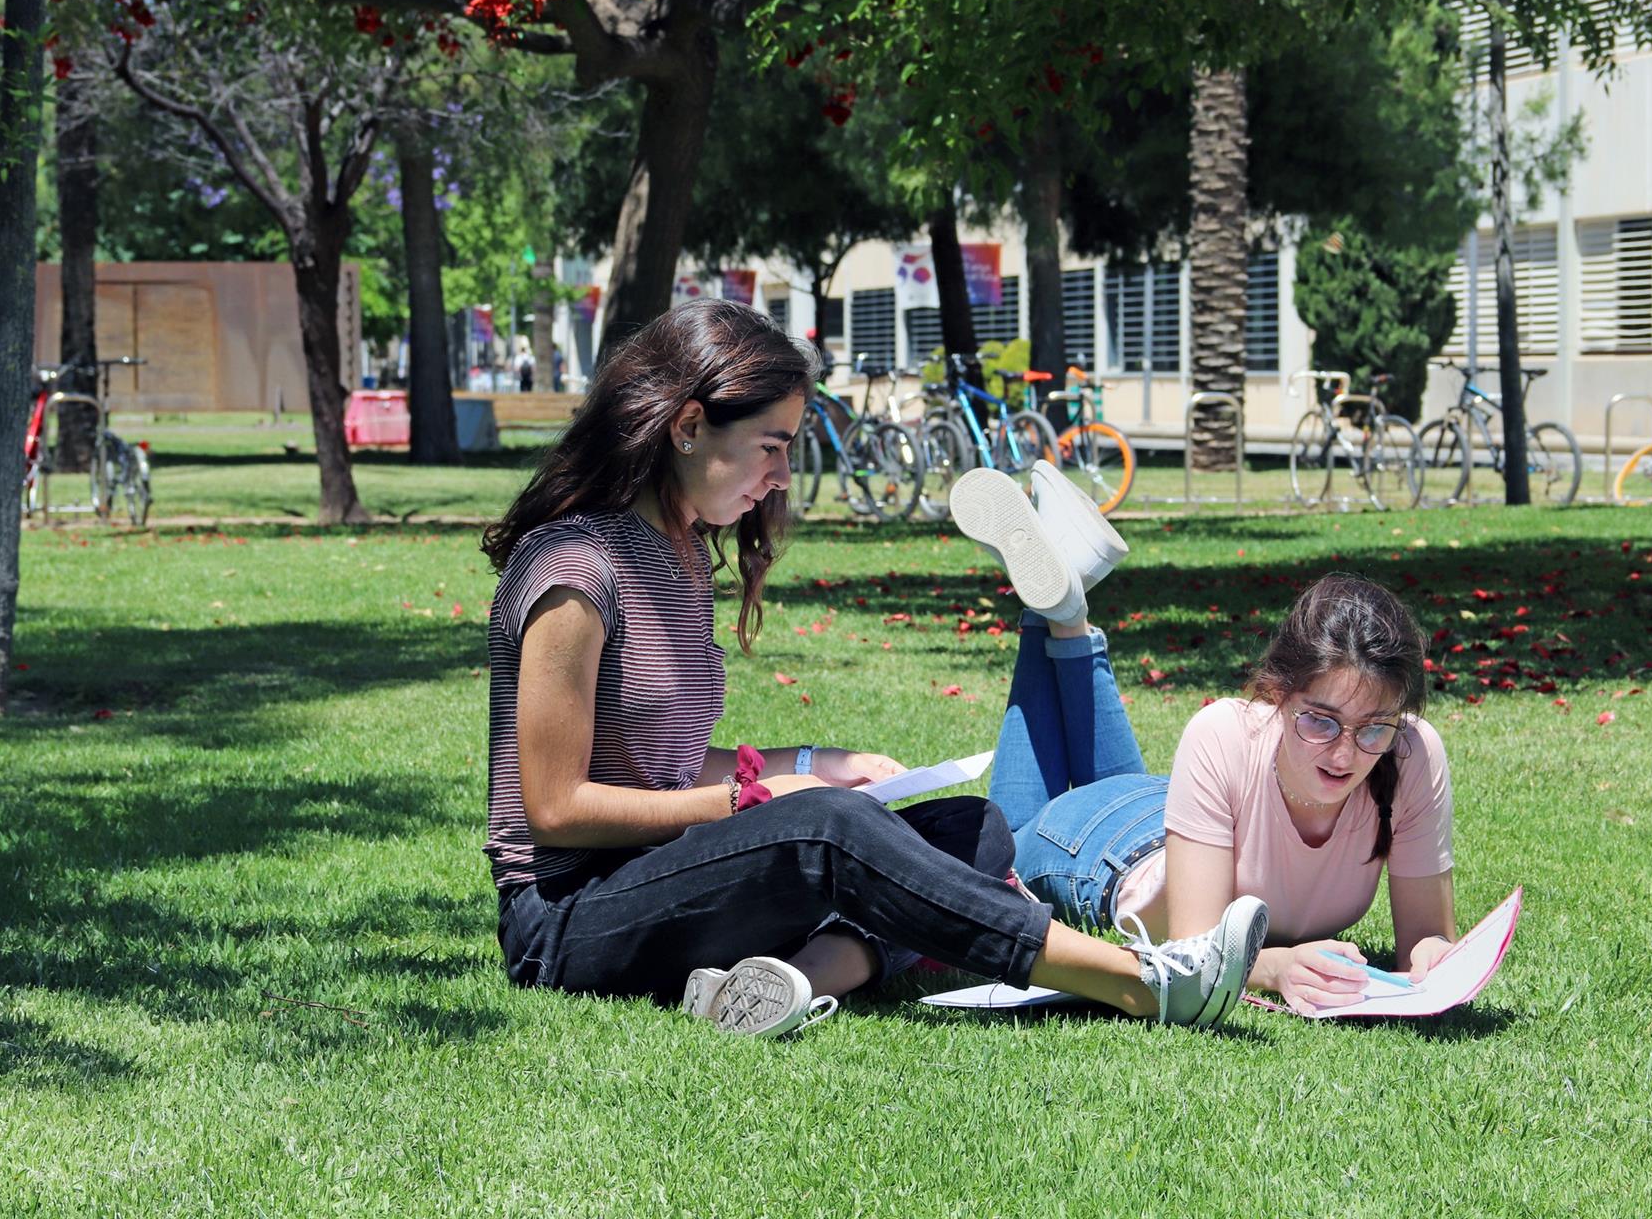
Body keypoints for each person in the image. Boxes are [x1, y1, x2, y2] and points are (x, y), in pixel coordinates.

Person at [480, 299, 1268, 1038]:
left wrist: (813, 764)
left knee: (972, 830)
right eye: (773, 446)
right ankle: (1142, 980)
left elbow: (658, 765)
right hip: (567, 918)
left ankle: (792, 979)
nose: (783, 478)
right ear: (689, 426)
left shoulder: (681, 555)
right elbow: (556, 807)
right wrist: (753, 800)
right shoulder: (574, 569)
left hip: (661, 874)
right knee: (830, 829)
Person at [951, 464, 1456, 1017]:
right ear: (1277, 695)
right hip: (1101, 853)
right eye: (1320, 721)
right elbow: (1195, 948)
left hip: (1177, 815)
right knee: (996, 854)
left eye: (1373, 728)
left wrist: (1436, 959)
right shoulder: (1225, 731)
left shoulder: (1411, 752)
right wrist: (1275, 966)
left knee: (1120, 780)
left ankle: (1066, 607)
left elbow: (1427, 937)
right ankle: (1054, 611)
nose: (1344, 753)